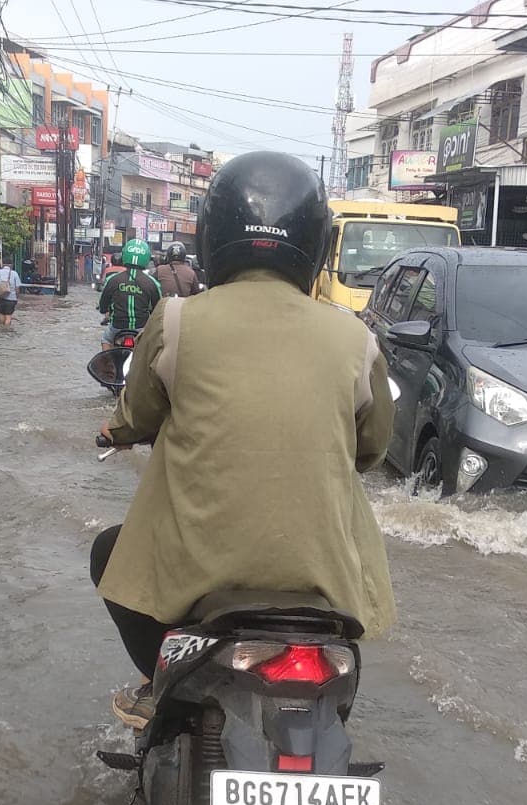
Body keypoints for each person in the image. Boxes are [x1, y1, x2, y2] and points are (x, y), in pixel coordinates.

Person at [91, 151, 396, 729]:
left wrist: (119, 432)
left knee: (108, 554)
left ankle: (160, 687)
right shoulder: (355, 338)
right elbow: (373, 448)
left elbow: (139, 414)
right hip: (324, 579)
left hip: (201, 574)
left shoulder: (178, 319)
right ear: (317, 243)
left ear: (212, 236)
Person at [96, 239, 162, 350]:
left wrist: (107, 312)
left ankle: (109, 366)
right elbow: (158, 311)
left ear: (124, 255)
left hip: (117, 327)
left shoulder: (113, 279)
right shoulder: (152, 283)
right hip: (141, 328)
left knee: (106, 340)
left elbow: (103, 307)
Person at [0, 255, 21, 328]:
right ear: (11, 265)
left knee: (1, 315)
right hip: (11, 299)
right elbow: (17, 288)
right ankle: (6, 331)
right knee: (8, 317)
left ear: (3, 264)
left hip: (1, 298)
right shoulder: (14, 273)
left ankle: (1, 331)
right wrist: (16, 298)